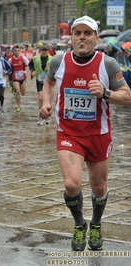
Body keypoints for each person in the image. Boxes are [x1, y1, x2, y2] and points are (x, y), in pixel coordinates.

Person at [40, 16, 131, 251]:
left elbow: (128, 97)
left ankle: (97, 224)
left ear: (96, 38)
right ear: (71, 38)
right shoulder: (58, 62)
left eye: (87, 33)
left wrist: (105, 93)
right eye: (77, 33)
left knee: (98, 186)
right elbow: (48, 83)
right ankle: (80, 224)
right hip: (69, 133)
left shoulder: (107, 63)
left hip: (99, 135)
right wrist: (46, 102)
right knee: (72, 183)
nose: (82, 37)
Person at [29, 45, 52, 125]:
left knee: (48, 99)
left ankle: (48, 115)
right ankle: (41, 116)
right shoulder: (35, 58)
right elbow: (30, 65)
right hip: (39, 81)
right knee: (41, 97)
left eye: (46, 50)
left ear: (48, 51)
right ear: (40, 51)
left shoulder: (52, 59)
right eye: (42, 50)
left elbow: (58, 68)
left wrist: (52, 71)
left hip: (49, 82)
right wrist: (32, 72)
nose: (44, 52)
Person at [8, 45, 30, 112]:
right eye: (15, 51)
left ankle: (16, 90)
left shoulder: (23, 58)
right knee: (18, 90)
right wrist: (9, 73)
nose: (17, 52)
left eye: (18, 51)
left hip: (22, 78)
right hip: (15, 78)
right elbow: (8, 68)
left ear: (20, 51)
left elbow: (28, 66)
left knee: (22, 93)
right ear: (13, 52)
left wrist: (26, 71)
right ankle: (19, 106)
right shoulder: (10, 60)